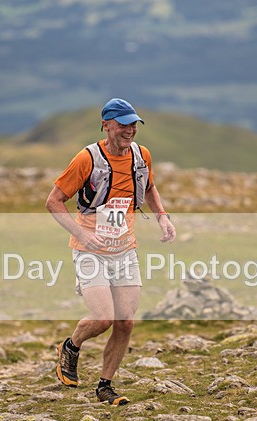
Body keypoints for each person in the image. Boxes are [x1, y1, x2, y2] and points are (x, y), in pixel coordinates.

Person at [46, 97, 176, 405]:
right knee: (103, 318)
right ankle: (72, 345)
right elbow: (53, 201)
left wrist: (163, 218)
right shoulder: (86, 159)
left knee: (126, 321)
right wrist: (82, 234)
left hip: (125, 250)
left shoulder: (141, 156)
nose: (129, 130)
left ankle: (105, 385)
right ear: (106, 125)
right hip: (89, 250)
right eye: (122, 124)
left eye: (133, 124)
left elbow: (149, 188)